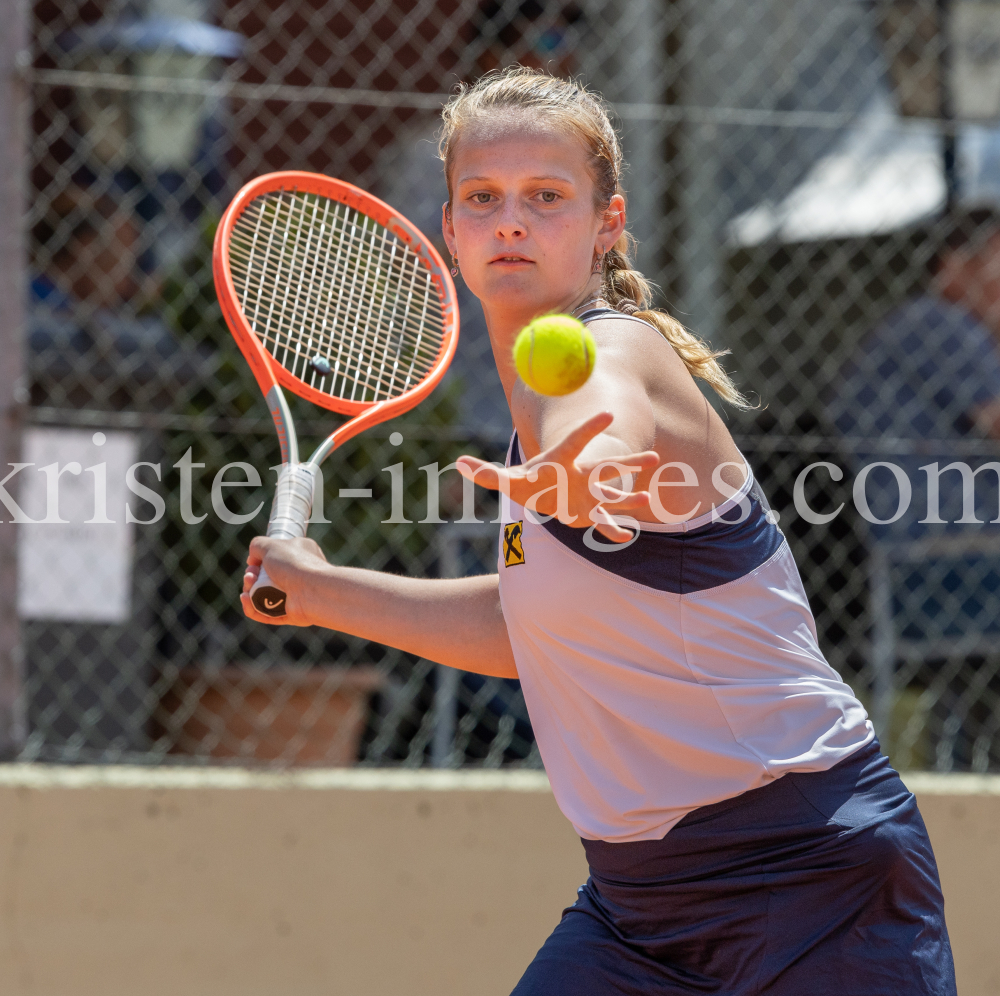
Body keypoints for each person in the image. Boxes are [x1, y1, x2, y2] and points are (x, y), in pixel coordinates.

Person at [242, 67, 955, 995]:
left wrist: (590, 470)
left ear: (604, 223)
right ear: (450, 230)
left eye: (547, 198)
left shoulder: (614, 351)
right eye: (483, 199)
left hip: (812, 872)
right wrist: (323, 589)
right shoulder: (524, 415)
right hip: (638, 909)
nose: (511, 222)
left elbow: (606, 420)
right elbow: (536, 625)